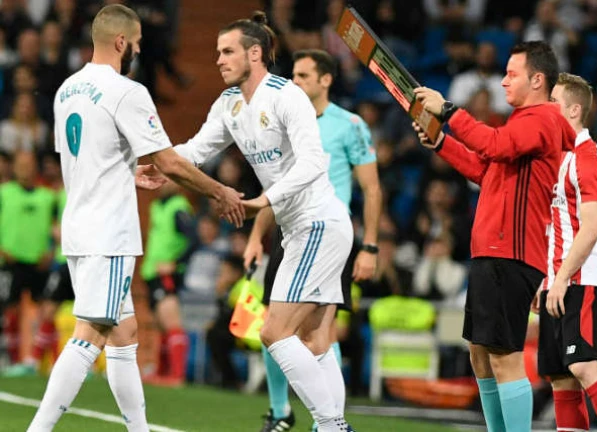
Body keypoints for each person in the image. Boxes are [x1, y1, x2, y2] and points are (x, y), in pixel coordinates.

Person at [27, 5, 245, 431]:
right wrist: (218, 190)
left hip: (79, 227)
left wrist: (127, 173)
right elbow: (169, 161)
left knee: (124, 335)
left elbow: (83, 160)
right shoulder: (127, 91)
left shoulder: (66, 90)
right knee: (91, 334)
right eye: (139, 42)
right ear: (122, 42)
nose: (141, 50)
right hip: (109, 232)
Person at [172, 12, 355, 432]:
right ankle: (334, 424)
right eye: (218, 52)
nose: (218, 60)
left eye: (227, 51)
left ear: (255, 54)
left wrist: (262, 201)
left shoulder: (287, 96)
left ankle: (331, 424)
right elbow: (196, 151)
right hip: (299, 231)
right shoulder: (229, 103)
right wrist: (156, 164)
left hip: (319, 223)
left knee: (273, 333)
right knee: (314, 339)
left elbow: (313, 162)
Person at [412, 40, 576, 431]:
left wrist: (449, 111)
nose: (503, 82)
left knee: (504, 357)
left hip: (511, 254)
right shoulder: (523, 122)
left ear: (537, 80)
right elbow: (487, 171)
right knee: (480, 354)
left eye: (512, 74)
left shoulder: (544, 118)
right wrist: (442, 143)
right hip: (492, 252)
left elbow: (495, 145)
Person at [243, 48, 381, 431]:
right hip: (288, 231)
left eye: (304, 76)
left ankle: (329, 422)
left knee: (304, 331)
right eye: (294, 75)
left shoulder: (349, 124)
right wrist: (256, 238)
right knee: (290, 328)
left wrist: (370, 246)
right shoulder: (286, 122)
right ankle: (284, 412)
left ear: (326, 80)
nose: (295, 82)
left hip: (326, 233)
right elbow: (276, 187)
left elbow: (371, 188)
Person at [532, 72, 597, 432]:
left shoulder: (587, 156)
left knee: (583, 365)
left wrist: (560, 279)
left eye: (553, 102)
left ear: (574, 110)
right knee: (561, 378)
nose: (546, 108)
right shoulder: (557, 158)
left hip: (583, 278)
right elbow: (554, 227)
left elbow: (590, 228)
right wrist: (545, 279)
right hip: (557, 280)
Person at [0, 152, 56, 374]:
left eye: (29, 164)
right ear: (14, 168)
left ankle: (40, 361)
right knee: (10, 311)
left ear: (36, 168)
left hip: (39, 262)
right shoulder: (4, 193)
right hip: (10, 260)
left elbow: (56, 227)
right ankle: (12, 360)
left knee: (45, 310)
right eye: (21, 164)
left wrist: (51, 252)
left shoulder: (48, 197)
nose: (25, 169)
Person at [140, 181, 194, 387]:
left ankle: (177, 375)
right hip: (152, 272)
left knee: (171, 322)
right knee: (160, 324)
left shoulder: (178, 207)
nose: (164, 182)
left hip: (167, 275)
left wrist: (176, 263)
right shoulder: (156, 206)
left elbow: (194, 239)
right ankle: (162, 372)